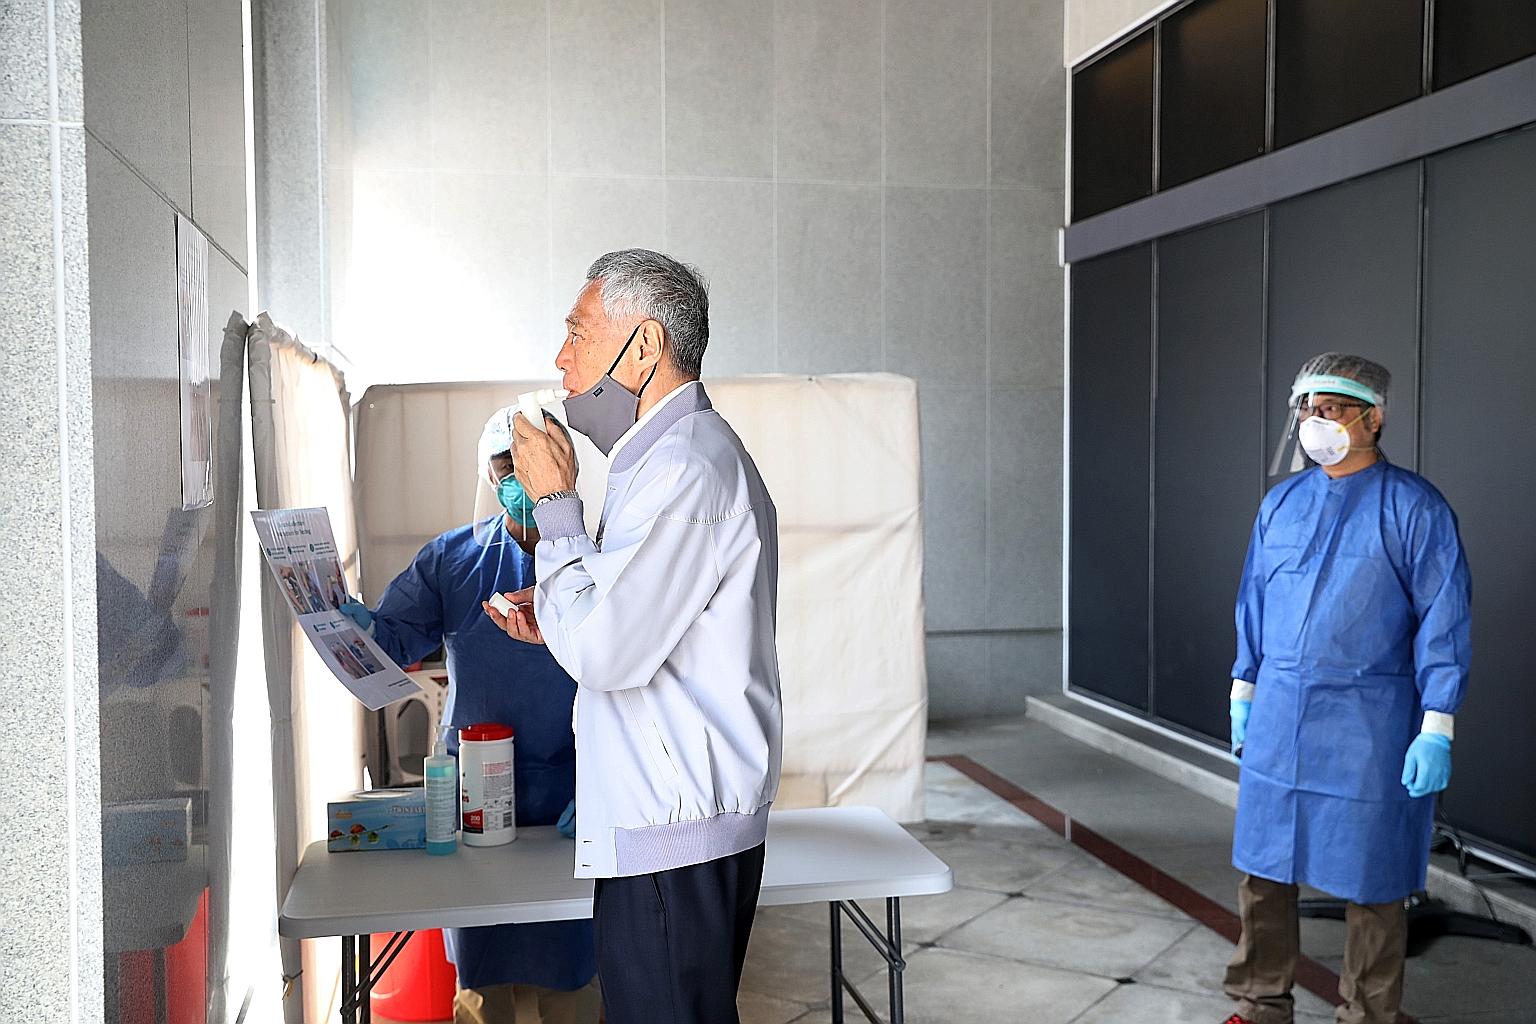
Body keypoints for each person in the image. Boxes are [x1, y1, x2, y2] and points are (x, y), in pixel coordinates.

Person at [484, 249, 782, 1024]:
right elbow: (622, 620)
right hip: (667, 827)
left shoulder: (685, 468)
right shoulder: (661, 465)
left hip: (674, 836)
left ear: (643, 347)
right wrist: (551, 612)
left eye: (578, 332)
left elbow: (610, 653)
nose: (561, 358)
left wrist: (554, 504)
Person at [1223, 353, 1471, 1024]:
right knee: (1265, 869)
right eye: (1307, 409)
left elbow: (1443, 619)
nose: (1315, 422)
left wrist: (1436, 725)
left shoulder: (1415, 508)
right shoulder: (1281, 503)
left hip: (1370, 724)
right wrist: (1244, 687)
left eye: (1330, 408)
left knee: (1375, 881)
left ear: (1374, 417)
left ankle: (1367, 1015)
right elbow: (1255, 599)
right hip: (1280, 712)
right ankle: (1259, 1002)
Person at [340, 409, 598, 1024]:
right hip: (477, 791)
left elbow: (643, 673)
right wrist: (358, 629)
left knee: (575, 983)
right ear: (489, 471)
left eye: (528, 464)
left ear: (563, 465)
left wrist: (608, 785)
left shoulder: (603, 553)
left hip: (577, 787)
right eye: (505, 467)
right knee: (482, 987)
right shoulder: (454, 559)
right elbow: (397, 639)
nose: (517, 478)